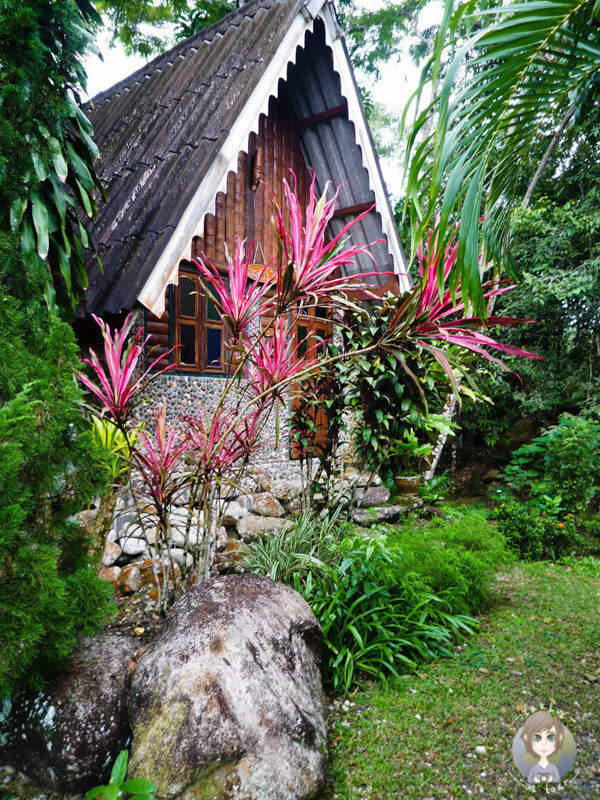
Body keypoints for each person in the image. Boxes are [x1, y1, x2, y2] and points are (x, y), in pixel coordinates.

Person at [520, 711, 564, 784]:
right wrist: (535, 780)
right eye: (537, 737)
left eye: (551, 737)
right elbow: (530, 779)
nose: (544, 743)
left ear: (559, 738)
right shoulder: (534, 767)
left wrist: (550, 779)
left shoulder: (552, 767)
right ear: (527, 738)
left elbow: (557, 778)